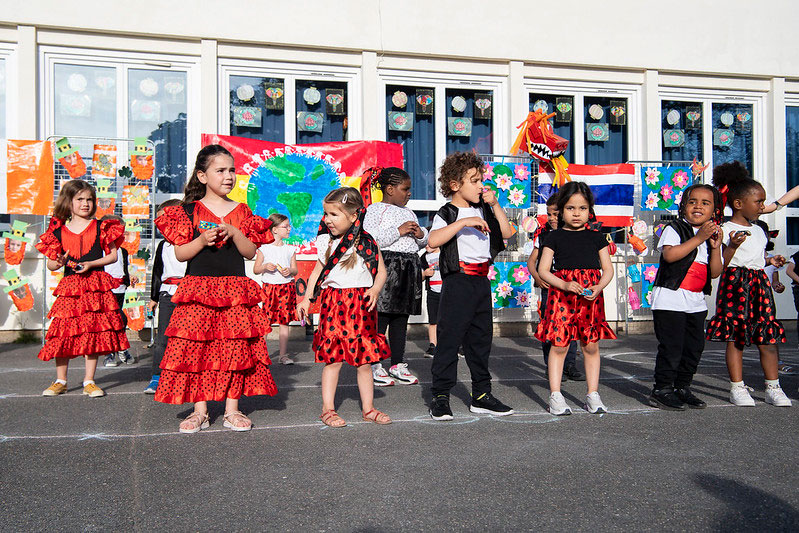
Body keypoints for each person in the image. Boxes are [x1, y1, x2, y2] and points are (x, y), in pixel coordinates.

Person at [154, 144, 277, 433]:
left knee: (234, 348)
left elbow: (249, 253)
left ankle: (232, 409)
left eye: (232, 170)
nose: (229, 176)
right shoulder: (186, 211)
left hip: (235, 289)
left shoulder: (242, 211)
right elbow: (181, 254)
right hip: (198, 289)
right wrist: (201, 240)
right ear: (202, 176)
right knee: (199, 350)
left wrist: (234, 232)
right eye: (220, 170)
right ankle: (200, 411)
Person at [427, 152, 515, 421]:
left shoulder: (484, 208)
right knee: (450, 340)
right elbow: (433, 240)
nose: (481, 186)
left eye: (481, 180)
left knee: (480, 341)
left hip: (480, 282)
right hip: (458, 282)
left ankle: (481, 395)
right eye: (474, 181)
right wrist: (463, 222)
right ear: (455, 185)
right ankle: (440, 396)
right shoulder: (448, 212)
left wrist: (496, 204)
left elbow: (507, 233)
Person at [297, 186, 392, 427]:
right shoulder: (325, 242)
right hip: (333, 304)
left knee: (364, 360)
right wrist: (307, 298)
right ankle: (327, 409)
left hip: (361, 305)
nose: (327, 220)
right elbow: (318, 272)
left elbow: (381, 271)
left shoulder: (368, 243)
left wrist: (375, 289)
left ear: (353, 216)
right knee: (334, 359)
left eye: (333, 215)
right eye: (326, 214)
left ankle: (368, 408)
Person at [706, 165, 791, 406]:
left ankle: (773, 386)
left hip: (759, 285)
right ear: (739, 203)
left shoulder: (760, 231)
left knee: (767, 337)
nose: (763, 206)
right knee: (737, 337)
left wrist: (770, 260)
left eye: (763, 202)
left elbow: (755, 258)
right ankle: (737, 387)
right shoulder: (724, 229)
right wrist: (731, 246)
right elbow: (720, 265)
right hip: (735, 283)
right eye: (759, 201)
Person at [36, 179, 128, 398]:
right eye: (80, 199)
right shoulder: (57, 231)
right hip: (70, 288)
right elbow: (50, 263)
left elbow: (113, 255)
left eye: (89, 199)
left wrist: (91, 264)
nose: (86, 203)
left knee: (92, 332)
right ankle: (61, 380)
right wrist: (57, 262)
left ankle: (89, 380)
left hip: (95, 286)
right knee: (62, 332)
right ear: (69, 202)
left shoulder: (102, 227)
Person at [535, 181, 616, 416]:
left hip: (590, 297)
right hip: (562, 297)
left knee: (590, 346)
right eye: (571, 208)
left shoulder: (597, 237)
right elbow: (543, 270)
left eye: (582, 208)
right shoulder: (553, 237)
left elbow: (608, 269)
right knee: (559, 345)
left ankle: (592, 394)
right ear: (561, 210)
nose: (577, 213)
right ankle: (556, 395)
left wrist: (599, 286)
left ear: (590, 210)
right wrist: (565, 284)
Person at [648, 184, 723, 410]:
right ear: (683, 207)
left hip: (695, 301)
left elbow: (716, 271)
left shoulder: (711, 236)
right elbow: (670, 255)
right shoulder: (675, 228)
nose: (698, 206)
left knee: (694, 347)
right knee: (672, 346)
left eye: (705, 203)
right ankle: (662, 389)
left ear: (714, 211)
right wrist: (699, 238)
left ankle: (682, 386)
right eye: (692, 202)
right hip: (670, 299)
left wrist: (717, 248)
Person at [362, 167, 427, 386]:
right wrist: (398, 231)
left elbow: (422, 242)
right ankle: (375, 364)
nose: (409, 193)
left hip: (409, 267)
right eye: (405, 189)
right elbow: (370, 241)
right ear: (390, 189)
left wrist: (421, 235)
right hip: (387, 266)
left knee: (401, 319)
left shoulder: (409, 212)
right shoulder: (375, 210)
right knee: (381, 318)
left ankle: (397, 363)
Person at [527, 193, 584, 382]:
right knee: (549, 327)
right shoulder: (543, 236)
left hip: (569, 289)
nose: (552, 218)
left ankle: (569, 365)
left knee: (570, 326)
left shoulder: (575, 234)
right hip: (549, 288)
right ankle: (550, 365)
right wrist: (537, 276)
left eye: (555, 214)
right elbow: (532, 261)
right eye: (549, 214)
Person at [144, 199, 185, 394]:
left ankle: (184, 376)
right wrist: (153, 297)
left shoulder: (190, 241)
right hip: (167, 294)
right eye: (158, 220)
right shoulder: (162, 246)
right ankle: (156, 377)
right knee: (163, 339)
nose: (161, 224)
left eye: (165, 219)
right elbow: (157, 272)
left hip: (188, 294)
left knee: (187, 338)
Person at [254, 213, 299, 365]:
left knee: (284, 322)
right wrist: (265, 266)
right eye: (285, 226)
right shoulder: (264, 249)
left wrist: (289, 271)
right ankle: (261, 354)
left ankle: (283, 355)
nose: (289, 229)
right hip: (269, 288)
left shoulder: (290, 249)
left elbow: (295, 270)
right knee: (265, 321)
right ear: (274, 229)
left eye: (289, 226)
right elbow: (256, 269)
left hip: (286, 287)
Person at [100, 214, 135, 367]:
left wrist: (129, 278)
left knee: (119, 320)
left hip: (120, 289)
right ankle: (110, 352)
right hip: (106, 290)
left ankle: (121, 348)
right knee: (114, 320)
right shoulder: (101, 249)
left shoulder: (123, 251)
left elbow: (122, 268)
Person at [420, 244, 441, 358]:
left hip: (447, 291)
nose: (427, 246)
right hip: (432, 292)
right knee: (433, 320)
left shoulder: (445, 254)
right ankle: (433, 345)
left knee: (449, 319)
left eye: (430, 243)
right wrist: (424, 274)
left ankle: (453, 345)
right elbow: (419, 276)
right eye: (425, 243)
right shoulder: (424, 257)